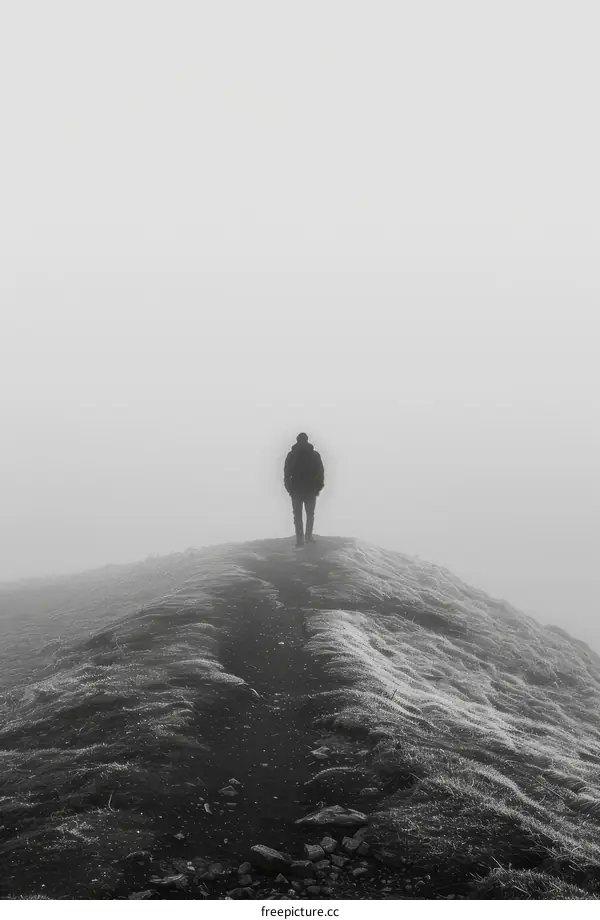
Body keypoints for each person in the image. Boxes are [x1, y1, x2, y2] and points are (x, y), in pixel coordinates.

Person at [283, 432, 325, 547]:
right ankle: (308, 537)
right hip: (310, 489)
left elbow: (286, 474)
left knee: (298, 515)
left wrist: (289, 489)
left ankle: (300, 540)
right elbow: (320, 473)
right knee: (309, 514)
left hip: (297, 490)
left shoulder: (292, 455)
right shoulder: (314, 455)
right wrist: (318, 487)